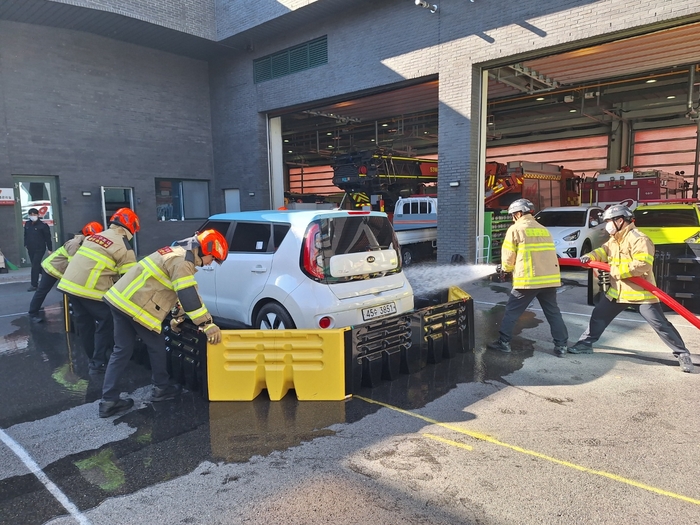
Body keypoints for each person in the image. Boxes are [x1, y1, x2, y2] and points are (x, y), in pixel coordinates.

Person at [98, 229, 227, 418]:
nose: (210, 264)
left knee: (121, 350)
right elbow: (187, 292)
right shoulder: (183, 261)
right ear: (205, 250)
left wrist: (177, 315)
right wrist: (207, 324)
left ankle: (108, 401)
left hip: (120, 301)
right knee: (157, 347)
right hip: (136, 307)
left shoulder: (174, 252)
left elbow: (170, 288)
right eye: (213, 259)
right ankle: (161, 388)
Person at [569, 204, 694, 373]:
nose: (607, 225)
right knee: (598, 316)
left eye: (609, 221)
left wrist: (615, 270)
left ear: (620, 220)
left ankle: (682, 353)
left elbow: (642, 265)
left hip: (640, 294)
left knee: (660, 324)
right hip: (617, 292)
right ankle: (585, 344)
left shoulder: (640, 239)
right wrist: (589, 256)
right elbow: (603, 251)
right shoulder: (615, 239)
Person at [58, 208, 139, 374]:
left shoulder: (95, 236)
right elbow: (129, 279)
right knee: (107, 321)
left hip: (70, 286)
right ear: (130, 226)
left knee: (84, 323)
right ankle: (99, 362)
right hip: (90, 290)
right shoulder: (124, 245)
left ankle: (93, 359)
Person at [487, 198, 569, 356]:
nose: (512, 218)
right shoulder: (544, 229)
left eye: (513, 215)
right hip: (549, 280)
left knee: (511, 311)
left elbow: (508, 256)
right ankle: (561, 346)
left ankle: (503, 342)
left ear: (519, 213)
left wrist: (504, 268)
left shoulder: (516, 229)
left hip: (528, 280)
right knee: (553, 312)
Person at [28, 221, 104, 323]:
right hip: (52, 268)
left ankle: (75, 312)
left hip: (60, 269)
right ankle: (32, 313)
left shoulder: (82, 242)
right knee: (42, 291)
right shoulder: (75, 244)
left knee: (71, 292)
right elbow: (73, 264)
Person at [24, 208, 52, 291]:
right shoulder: (27, 224)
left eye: (34, 214)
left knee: (35, 265)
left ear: (38, 215)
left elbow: (48, 238)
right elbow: (25, 235)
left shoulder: (43, 225)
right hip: (30, 247)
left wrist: (50, 249)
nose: (33, 216)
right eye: (31, 215)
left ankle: (34, 285)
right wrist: (25, 244)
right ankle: (48, 275)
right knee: (35, 265)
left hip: (40, 248)